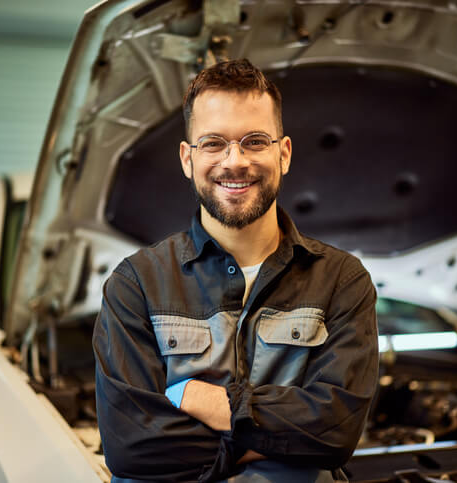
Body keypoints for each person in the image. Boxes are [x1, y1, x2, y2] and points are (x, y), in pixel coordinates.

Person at [93, 59, 379, 482]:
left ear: (283, 154)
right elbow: (132, 446)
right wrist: (266, 443)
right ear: (187, 159)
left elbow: (335, 431)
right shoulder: (137, 283)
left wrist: (209, 404)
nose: (235, 161)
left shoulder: (340, 279)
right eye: (213, 143)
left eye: (254, 141)